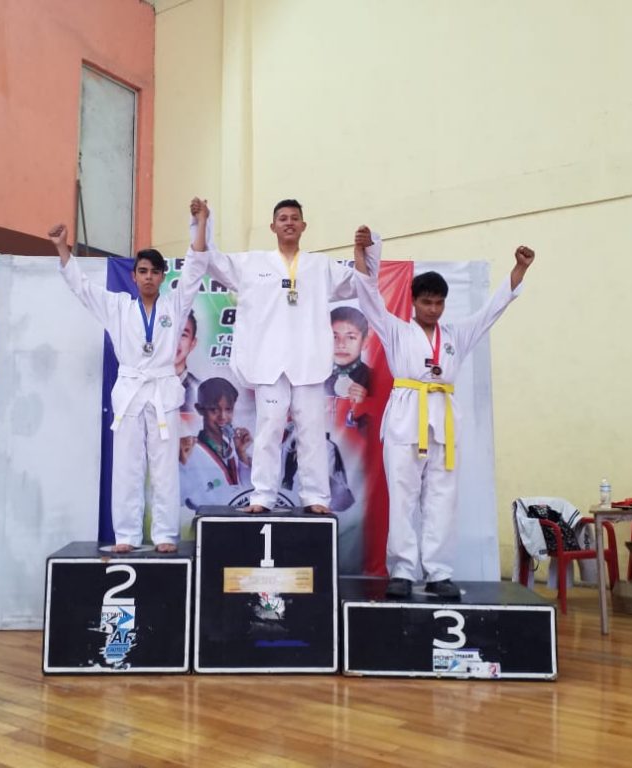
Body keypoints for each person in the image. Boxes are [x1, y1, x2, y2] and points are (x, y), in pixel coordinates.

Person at [354, 226, 535, 598]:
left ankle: (438, 572)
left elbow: (492, 311)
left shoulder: (456, 335)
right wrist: (362, 253)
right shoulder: (395, 330)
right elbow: (369, 297)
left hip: (444, 424)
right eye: (427, 302)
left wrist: (519, 270)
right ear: (413, 302)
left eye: (439, 303)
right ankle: (402, 571)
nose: (433, 309)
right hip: (406, 420)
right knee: (402, 500)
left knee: (441, 500)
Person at [188, 197, 380, 514]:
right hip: (269, 362)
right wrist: (202, 221)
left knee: (312, 432)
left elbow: (360, 284)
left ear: (303, 225)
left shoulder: (320, 266)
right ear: (273, 226)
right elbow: (212, 260)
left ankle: (316, 497)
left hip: (308, 361)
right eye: (282, 218)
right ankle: (262, 496)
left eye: (294, 218)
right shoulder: (252, 264)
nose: (289, 222)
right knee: (269, 430)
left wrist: (362, 252)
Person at [49, 213, 209, 553]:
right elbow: (82, 288)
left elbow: (194, 272)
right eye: (143, 271)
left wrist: (200, 224)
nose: (148, 277)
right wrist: (63, 248)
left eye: (154, 271)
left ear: (163, 276)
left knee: (165, 469)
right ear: (134, 276)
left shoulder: (175, 305)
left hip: (162, 393)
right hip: (131, 392)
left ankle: (165, 535)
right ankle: (126, 535)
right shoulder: (118, 307)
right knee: (126, 468)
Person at [180, 376, 253, 503]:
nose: (223, 417)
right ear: (200, 409)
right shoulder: (189, 451)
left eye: (228, 409)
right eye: (214, 410)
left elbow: (248, 491)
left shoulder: (234, 450)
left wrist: (242, 455)